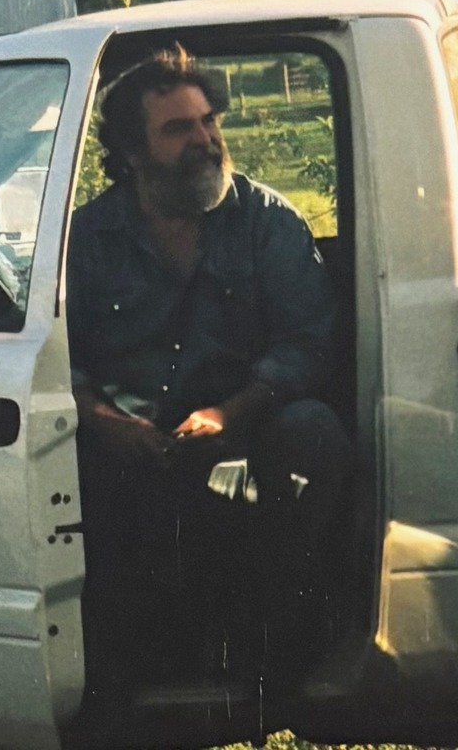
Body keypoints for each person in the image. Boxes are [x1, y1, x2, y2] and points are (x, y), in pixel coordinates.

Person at [65, 47, 350, 695]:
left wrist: (231, 412)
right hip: (129, 445)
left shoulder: (268, 221)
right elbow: (59, 358)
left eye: (208, 122)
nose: (204, 140)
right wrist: (106, 421)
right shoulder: (86, 239)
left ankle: (280, 651)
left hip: (245, 427)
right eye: (178, 129)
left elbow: (307, 343)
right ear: (131, 153)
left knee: (312, 428)